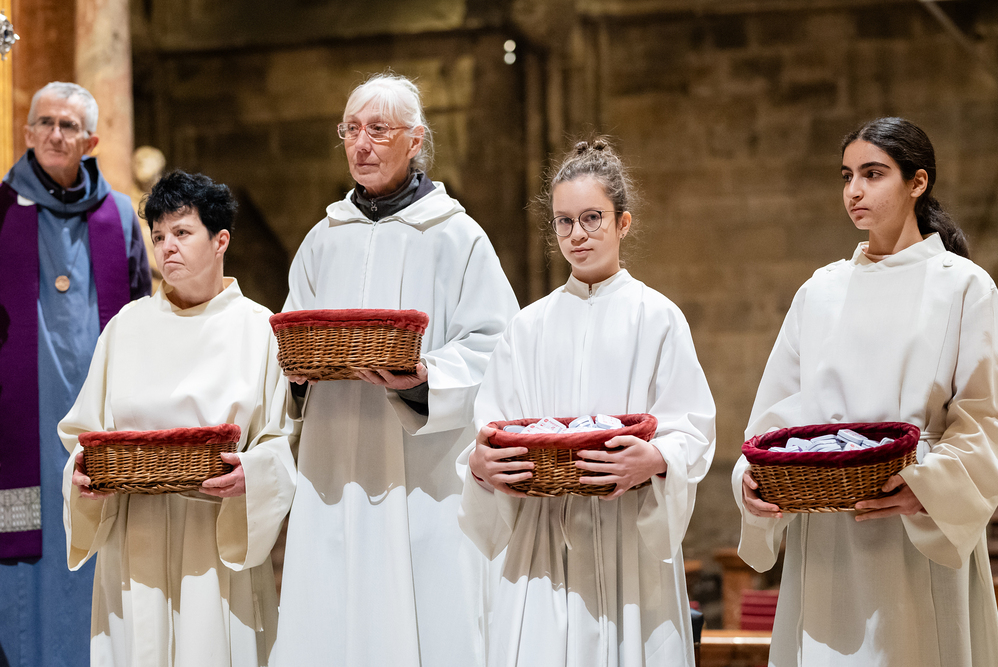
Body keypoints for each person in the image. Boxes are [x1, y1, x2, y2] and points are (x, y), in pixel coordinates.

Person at [271, 73, 519, 666]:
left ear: (415, 140)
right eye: (351, 129)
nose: (361, 144)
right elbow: (288, 337)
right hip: (333, 461)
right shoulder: (322, 239)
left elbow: (498, 347)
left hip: (422, 473)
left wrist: (427, 379)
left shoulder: (456, 236)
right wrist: (296, 376)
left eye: (378, 130)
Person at [733, 117, 998, 666]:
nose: (854, 190)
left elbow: (984, 418)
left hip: (916, 525)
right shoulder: (820, 291)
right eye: (847, 175)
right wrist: (752, 480)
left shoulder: (963, 285)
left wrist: (931, 488)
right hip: (827, 532)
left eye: (873, 174)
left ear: (917, 182)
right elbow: (774, 420)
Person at [459, 138, 717, 667]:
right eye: (564, 221)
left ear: (623, 223)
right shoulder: (526, 328)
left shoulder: (657, 318)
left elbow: (692, 427)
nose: (577, 234)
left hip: (628, 539)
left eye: (592, 218)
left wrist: (656, 459)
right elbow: (490, 433)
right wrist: (481, 467)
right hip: (542, 547)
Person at [58, 171, 297, 666]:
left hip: (213, 536)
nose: (167, 247)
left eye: (182, 233)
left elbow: (281, 440)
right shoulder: (126, 327)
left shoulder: (260, 330)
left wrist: (251, 474)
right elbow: (83, 435)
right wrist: (82, 472)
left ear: (220, 240)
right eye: (158, 236)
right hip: (133, 536)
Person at [0, 81, 151, 667]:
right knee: (27, 542)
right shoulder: (0, 210)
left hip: (101, 417)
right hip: (20, 418)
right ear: (28, 131)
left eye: (68, 125)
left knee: (99, 542)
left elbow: (139, 311)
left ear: (90, 141)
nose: (54, 134)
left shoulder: (117, 214)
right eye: (45, 122)